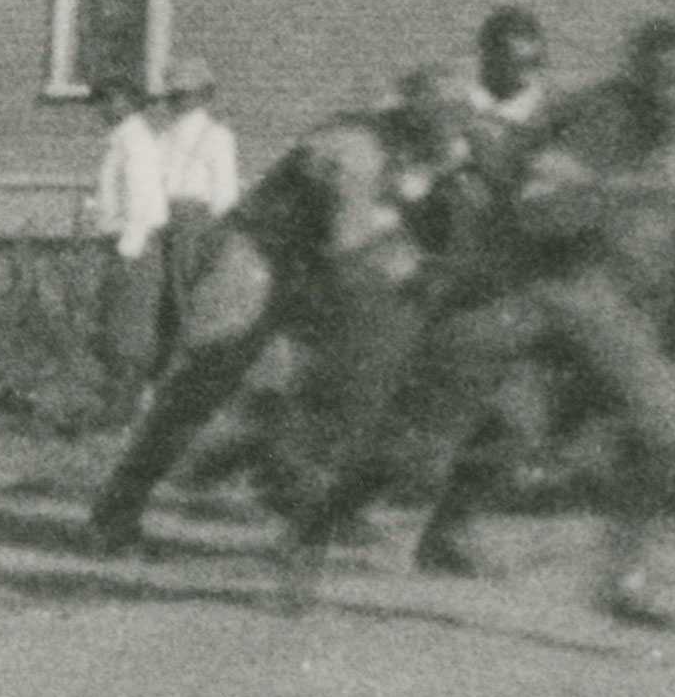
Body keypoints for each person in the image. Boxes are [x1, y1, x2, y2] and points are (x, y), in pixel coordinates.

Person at [86, 66, 472, 559]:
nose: (452, 136)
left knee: (364, 367)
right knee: (206, 382)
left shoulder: (407, 146)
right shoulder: (358, 149)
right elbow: (351, 253)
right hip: (258, 258)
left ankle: (317, 496)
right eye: (446, 122)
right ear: (419, 119)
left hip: (308, 262)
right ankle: (117, 507)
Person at [407, 18, 675, 609]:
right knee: (672, 424)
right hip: (551, 291)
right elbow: (542, 206)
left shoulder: (650, 125)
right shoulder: (606, 118)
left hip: (576, 295)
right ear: (642, 70)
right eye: (668, 78)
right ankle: (625, 575)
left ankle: (449, 535)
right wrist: (615, 196)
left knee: (536, 421)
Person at [87, 78, 170, 419]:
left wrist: (127, 252)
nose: (102, 109)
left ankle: (125, 414)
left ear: (127, 102)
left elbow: (141, 203)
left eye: (109, 100)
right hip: (123, 243)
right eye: (100, 101)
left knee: (129, 331)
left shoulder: (135, 142)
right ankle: (120, 410)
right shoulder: (121, 141)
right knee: (118, 327)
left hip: (135, 245)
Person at [152, 55, 240, 365]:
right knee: (161, 299)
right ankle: (167, 363)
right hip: (161, 221)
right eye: (175, 93)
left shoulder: (217, 136)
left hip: (194, 222)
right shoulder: (163, 136)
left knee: (188, 295)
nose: (180, 100)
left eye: (187, 93)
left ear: (204, 95)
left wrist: (218, 236)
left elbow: (225, 193)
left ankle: (192, 363)